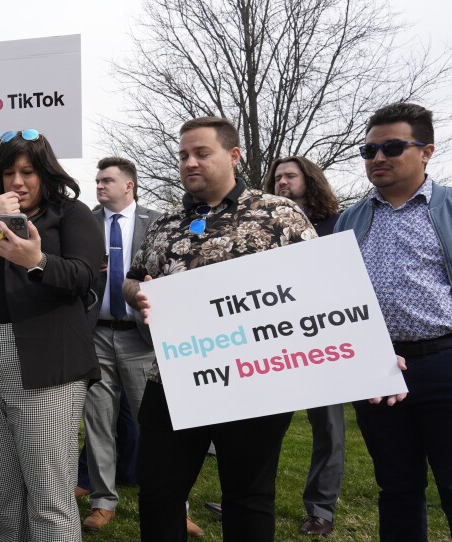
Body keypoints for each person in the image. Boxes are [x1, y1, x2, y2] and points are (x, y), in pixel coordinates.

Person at [123, 117, 315, 542]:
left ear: (233, 155)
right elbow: (132, 278)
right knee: (157, 493)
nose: (189, 162)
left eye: (201, 153)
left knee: (248, 497)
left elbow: (319, 288)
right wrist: (139, 293)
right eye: (183, 155)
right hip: (174, 377)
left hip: (255, 379)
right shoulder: (166, 223)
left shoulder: (278, 214)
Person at [0, 129, 102, 541]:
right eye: (8, 172)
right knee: (7, 496)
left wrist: (39, 261)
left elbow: (84, 276)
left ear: (46, 173)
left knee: (49, 497)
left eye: (28, 171)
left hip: (47, 362)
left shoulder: (70, 214)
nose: (18, 182)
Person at [335, 102, 452, 541]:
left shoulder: (448, 208)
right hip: (377, 369)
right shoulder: (351, 219)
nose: (378, 158)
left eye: (392, 147)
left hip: (444, 362)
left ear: (427, 151)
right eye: (368, 151)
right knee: (397, 487)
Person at [80, 157, 168, 531]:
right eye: (97, 181)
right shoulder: (85, 223)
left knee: (156, 424)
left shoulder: (158, 222)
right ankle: (103, 501)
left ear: (129, 185)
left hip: (141, 337)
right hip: (95, 333)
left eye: (107, 181)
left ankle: (171, 505)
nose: (99, 186)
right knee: (98, 421)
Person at [265, 155, 342, 536]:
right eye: (277, 177)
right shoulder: (262, 227)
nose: (282, 182)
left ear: (309, 180)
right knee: (260, 423)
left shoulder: (337, 224)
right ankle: (252, 495)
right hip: (271, 338)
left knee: (327, 426)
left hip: (321, 338)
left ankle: (321, 510)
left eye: (290, 176)